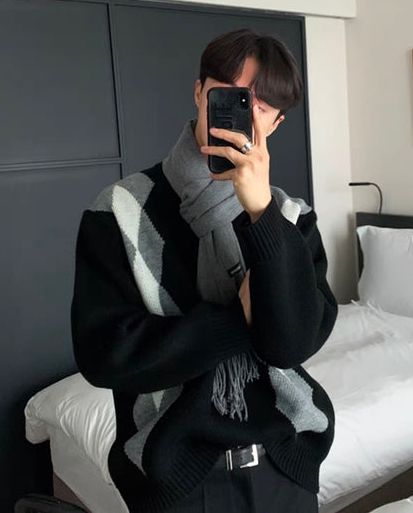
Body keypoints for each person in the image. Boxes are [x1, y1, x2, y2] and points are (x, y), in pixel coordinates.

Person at [71, 28, 338, 513]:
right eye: (230, 96)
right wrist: (238, 322)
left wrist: (261, 214)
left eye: (261, 106)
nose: (244, 116)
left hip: (286, 465)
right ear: (199, 93)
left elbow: (292, 344)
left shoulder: (292, 218)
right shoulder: (120, 210)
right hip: (177, 479)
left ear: (276, 122)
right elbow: (103, 355)